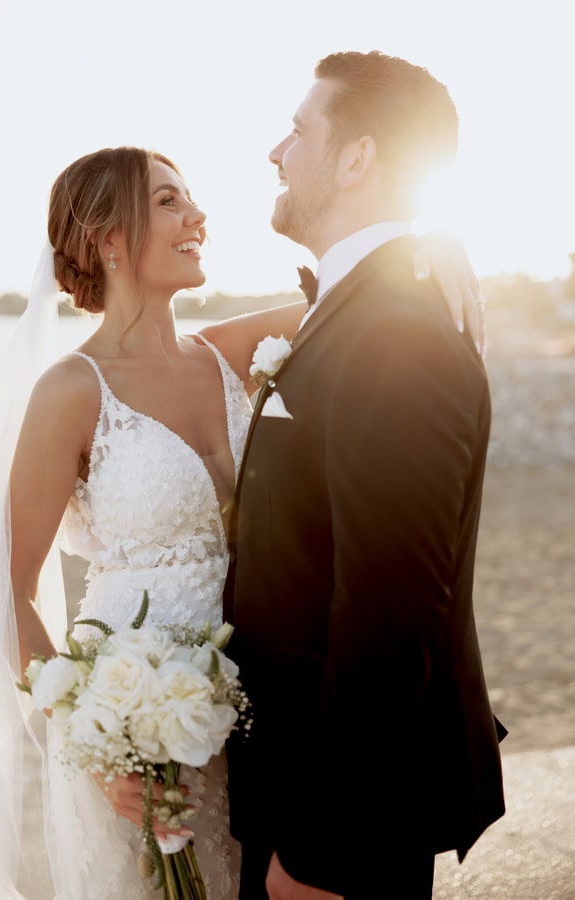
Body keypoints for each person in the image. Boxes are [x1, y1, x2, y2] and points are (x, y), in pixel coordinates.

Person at [0, 145, 483, 900]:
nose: (198, 217)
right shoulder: (71, 389)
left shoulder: (225, 352)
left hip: (258, 711)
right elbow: (7, 588)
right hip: (136, 732)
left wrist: (433, 247)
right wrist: (94, 741)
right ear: (110, 238)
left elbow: (358, 298)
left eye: (190, 198)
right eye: (170, 202)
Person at [224, 50, 506, 900]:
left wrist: (323, 852)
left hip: (341, 819)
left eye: (297, 132)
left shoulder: (397, 334)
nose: (275, 151)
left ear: (357, 159)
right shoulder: (357, 309)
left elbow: (390, 613)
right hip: (296, 776)